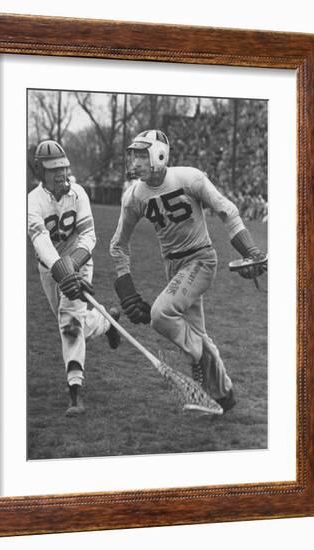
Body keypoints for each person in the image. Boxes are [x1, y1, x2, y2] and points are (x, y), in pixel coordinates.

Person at [110, 130, 266, 412]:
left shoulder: (189, 178)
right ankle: (223, 395)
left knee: (161, 314)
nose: (134, 161)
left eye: (141, 155)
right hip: (174, 267)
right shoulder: (133, 196)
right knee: (198, 333)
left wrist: (250, 251)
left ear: (159, 154)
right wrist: (127, 291)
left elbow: (226, 210)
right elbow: (118, 246)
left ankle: (195, 357)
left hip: (201, 260)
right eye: (133, 154)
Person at [28, 140, 121, 417]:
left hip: (80, 261)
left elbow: (89, 235)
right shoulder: (33, 202)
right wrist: (60, 269)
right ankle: (107, 320)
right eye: (53, 169)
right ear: (39, 172)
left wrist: (73, 265)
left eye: (64, 167)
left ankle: (75, 393)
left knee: (69, 323)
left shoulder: (78, 193)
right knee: (73, 320)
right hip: (50, 269)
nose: (61, 174)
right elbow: (40, 240)